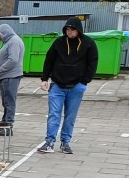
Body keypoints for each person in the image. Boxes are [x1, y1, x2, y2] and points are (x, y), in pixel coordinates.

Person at [39, 17, 97, 155]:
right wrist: (45, 78)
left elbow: (92, 63)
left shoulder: (88, 43)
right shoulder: (59, 42)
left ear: (79, 30)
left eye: (72, 29)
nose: (69, 32)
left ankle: (65, 142)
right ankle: (50, 142)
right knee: (54, 114)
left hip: (77, 86)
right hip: (58, 84)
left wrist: (84, 81)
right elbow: (49, 59)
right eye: (67, 29)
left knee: (70, 116)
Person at [0, 23, 25, 132]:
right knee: (6, 101)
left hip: (10, 76)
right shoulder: (10, 41)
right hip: (7, 76)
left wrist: (0, 70)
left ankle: (8, 126)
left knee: (9, 102)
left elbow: (13, 59)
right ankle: (4, 124)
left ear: (4, 33)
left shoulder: (14, 41)